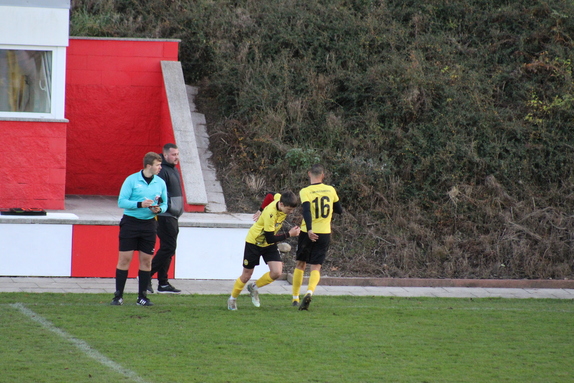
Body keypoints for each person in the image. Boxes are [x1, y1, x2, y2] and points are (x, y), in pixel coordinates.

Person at [227, 191, 301, 310]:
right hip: (254, 242)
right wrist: (289, 234)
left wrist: (260, 209)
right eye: (289, 209)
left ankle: (253, 287)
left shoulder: (279, 199)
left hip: (268, 244)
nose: (290, 212)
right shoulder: (271, 214)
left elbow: (270, 194)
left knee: (276, 272)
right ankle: (232, 299)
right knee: (246, 275)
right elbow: (270, 237)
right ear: (281, 204)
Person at [111, 152, 168, 306]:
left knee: (146, 261)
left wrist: (159, 210)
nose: (160, 168)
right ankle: (118, 296)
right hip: (130, 223)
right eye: (157, 165)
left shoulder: (160, 183)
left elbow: (165, 204)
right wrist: (139, 204)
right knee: (125, 260)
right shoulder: (131, 180)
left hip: (149, 224)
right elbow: (122, 202)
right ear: (148, 166)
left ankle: (142, 297)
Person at [292, 164, 343, 310]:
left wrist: (309, 229)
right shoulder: (331, 189)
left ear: (309, 174)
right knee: (316, 266)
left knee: (301, 263)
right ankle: (309, 292)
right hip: (324, 233)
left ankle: (295, 297)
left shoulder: (305, 191)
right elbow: (339, 210)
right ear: (323, 175)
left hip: (307, 232)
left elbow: (306, 211)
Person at [149, 143, 184, 294]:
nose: (176, 157)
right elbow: (156, 192)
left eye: (177, 154)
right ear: (165, 155)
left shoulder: (173, 169)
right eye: (173, 154)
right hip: (164, 216)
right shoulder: (162, 171)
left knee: (168, 249)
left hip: (173, 216)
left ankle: (163, 283)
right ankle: (145, 275)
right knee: (168, 248)